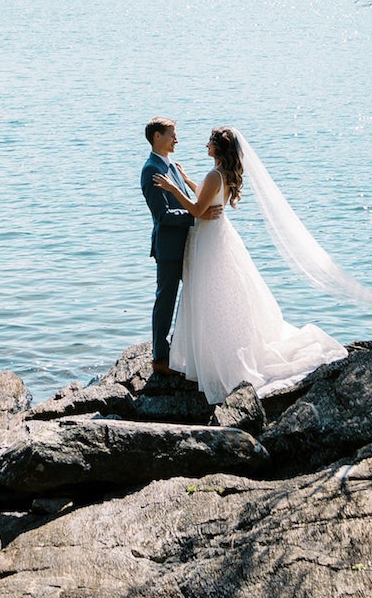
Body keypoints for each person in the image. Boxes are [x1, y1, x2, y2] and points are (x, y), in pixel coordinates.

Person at [154, 126, 346, 402]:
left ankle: (215, 358)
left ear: (218, 148)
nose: (205, 145)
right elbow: (208, 199)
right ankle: (219, 350)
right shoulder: (225, 175)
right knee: (222, 294)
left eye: (209, 142)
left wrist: (174, 187)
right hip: (219, 235)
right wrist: (186, 180)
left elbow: (197, 210)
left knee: (210, 296)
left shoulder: (213, 175)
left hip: (208, 240)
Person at [140, 117, 221, 376]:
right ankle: (160, 357)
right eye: (172, 134)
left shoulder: (171, 165)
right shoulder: (151, 169)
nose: (177, 139)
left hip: (188, 244)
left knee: (195, 297)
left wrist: (196, 203)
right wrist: (198, 216)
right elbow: (162, 216)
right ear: (157, 137)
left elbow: (186, 200)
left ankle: (192, 350)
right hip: (169, 247)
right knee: (165, 300)